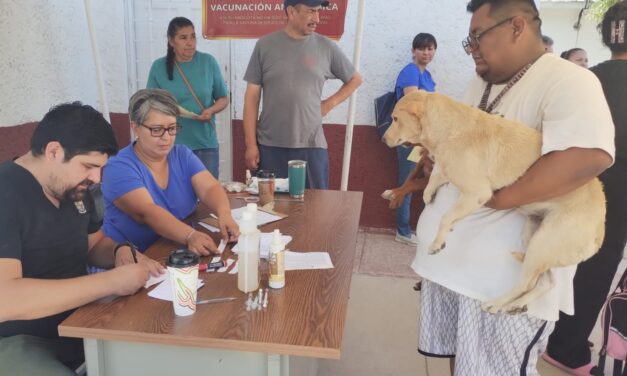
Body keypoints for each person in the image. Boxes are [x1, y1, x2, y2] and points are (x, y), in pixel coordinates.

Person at [413, 1, 615, 375]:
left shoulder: (570, 80)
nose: (471, 48)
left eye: (477, 37)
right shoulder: (482, 82)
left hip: (500, 285)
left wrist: (500, 198)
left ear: (517, 27)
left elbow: (588, 158)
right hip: (454, 274)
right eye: (468, 40)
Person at [0, 103, 163, 376]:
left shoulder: (76, 189)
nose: (96, 178)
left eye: (100, 168)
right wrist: (111, 281)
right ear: (53, 151)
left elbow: (93, 245)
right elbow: (6, 300)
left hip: (81, 323)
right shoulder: (7, 193)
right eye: (89, 166)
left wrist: (118, 252)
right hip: (18, 340)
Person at [544, 2, 627, 374]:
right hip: (618, 193)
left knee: (571, 264)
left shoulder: (589, 78)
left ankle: (558, 335)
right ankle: (566, 347)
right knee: (597, 269)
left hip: (577, 185)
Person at [102, 89, 239, 256]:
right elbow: (146, 212)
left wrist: (224, 214)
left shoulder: (182, 155)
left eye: (172, 128)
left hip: (174, 249)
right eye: (157, 129)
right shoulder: (119, 167)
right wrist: (189, 235)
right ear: (135, 128)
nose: (166, 137)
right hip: (134, 256)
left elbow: (210, 187)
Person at [242, 0, 363, 189]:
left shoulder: (326, 47)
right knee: (271, 211)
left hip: (311, 146)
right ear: (291, 12)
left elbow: (355, 79)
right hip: (270, 146)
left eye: (318, 12)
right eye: (311, 12)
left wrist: (328, 105)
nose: (317, 18)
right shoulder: (264, 46)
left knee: (314, 211)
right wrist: (251, 145)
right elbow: (251, 98)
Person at [147, 17, 228, 178]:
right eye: (183, 38)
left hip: (205, 144)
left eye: (192, 36)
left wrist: (210, 110)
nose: (190, 42)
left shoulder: (208, 62)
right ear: (171, 41)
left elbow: (223, 98)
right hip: (171, 144)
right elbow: (150, 102)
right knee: (176, 195)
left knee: (208, 196)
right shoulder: (158, 67)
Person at [391, 33, 437, 245]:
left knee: (414, 178)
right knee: (407, 181)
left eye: (430, 49)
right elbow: (415, 106)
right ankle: (402, 231)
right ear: (414, 51)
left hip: (421, 138)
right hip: (408, 138)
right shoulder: (410, 72)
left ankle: (406, 228)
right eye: (422, 49)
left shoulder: (426, 75)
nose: (426, 53)